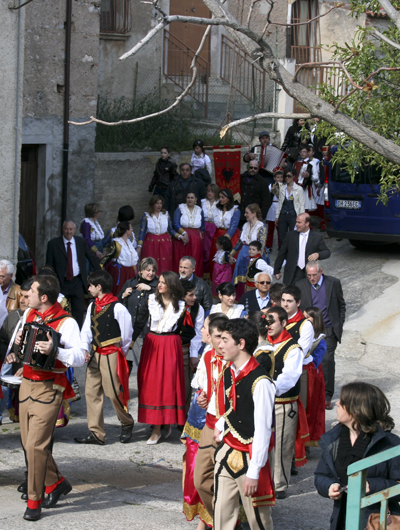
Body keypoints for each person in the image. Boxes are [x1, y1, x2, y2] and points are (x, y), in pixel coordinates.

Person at [5, 275, 85, 521]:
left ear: (44, 297)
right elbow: (21, 349)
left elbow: (81, 357)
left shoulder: (66, 322)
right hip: (26, 385)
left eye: (31, 292)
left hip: (50, 388)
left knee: (36, 446)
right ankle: (57, 482)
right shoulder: (29, 315)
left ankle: (34, 500)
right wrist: (19, 345)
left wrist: (55, 350)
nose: (24, 294)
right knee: (29, 444)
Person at [213, 319, 276, 530]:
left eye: (224, 340)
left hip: (250, 456)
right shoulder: (231, 371)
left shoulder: (261, 382)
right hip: (227, 451)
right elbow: (234, 407)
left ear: (240, 344)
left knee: (258, 520)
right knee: (221, 515)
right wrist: (221, 424)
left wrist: (254, 471)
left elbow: (263, 429)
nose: (220, 345)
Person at [315, 382, 400, 530]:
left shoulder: (390, 444)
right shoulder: (333, 440)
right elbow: (321, 475)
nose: (337, 403)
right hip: (341, 521)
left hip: (376, 523)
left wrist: (371, 485)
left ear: (356, 411)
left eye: (342, 401)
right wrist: (328, 487)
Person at [75, 270, 134, 445]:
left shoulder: (118, 307)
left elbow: (126, 334)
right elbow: (86, 330)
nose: (89, 288)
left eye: (91, 286)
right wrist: (84, 349)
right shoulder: (93, 305)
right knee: (91, 392)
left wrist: (118, 352)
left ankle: (126, 422)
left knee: (114, 393)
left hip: (111, 354)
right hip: (95, 353)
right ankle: (96, 432)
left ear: (99, 287)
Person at [181, 313, 228, 529]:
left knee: (220, 477)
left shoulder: (232, 360)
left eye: (215, 333)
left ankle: (218, 520)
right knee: (197, 474)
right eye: (211, 332)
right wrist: (203, 396)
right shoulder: (208, 356)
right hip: (204, 420)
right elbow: (205, 388)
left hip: (223, 425)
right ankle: (209, 517)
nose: (205, 332)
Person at [137, 272, 186, 444]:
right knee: (152, 385)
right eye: (159, 282)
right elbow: (139, 320)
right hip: (152, 343)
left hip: (170, 344)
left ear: (171, 285)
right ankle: (156, 428)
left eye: (164, 282)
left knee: (167, 385)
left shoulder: (181, 305)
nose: (159, 285)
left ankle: (166, 421)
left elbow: (186, 330)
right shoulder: (151, 300)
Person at [266, 306, 306, 499]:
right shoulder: (263, 343)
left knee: (282, 444)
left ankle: (280, 484)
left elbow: (289, 377)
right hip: (265, 401)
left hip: (283, 402)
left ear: (283, 323)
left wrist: (267, 388)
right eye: (266, 321)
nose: (268, 325)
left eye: (271, 321)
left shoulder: (293, 348)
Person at [295, 261, 346, 410]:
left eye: (314, 275)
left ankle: (327, 394)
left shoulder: (333, 283)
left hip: (328, 328)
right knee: (308, 359)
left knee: (327, 360)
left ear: (321, 272)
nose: (311, 278)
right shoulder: (301, 285)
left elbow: (341, 304)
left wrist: (339, 322)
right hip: (308, 328)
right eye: (309, 275)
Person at [45, 220, 101, 327]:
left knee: (79, 311)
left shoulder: (81, 242)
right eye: (66, 229)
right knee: (59, 310)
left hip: (77, 282)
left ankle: (77, 334)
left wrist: (100, 273)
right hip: (61, 283)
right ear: (63, 229)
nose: (68, 232)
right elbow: (49, 265)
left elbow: (91, 257)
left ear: (74, 230)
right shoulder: (53, 244)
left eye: (71, 229)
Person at [118, 257, 158, 373]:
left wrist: (151, 289)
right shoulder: (130, 283)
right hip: (128, 330)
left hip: (145, 332)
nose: (151, 273)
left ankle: (145, 390)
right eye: (148, 270)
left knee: (145, 364)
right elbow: (116, 303)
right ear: (141, 270)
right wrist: (123, 295)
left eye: (153, 270)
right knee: (125, 364)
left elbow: (164, 300)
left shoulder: (158, 285)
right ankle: (122, 389)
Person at [0, 279, 31, 425]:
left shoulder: (41, 319)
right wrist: (7, 354)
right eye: (21, 296)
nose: (23, 300)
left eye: (27, 297)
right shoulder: (12, 316)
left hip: (34, 373)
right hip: (14, 371)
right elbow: (2, 341)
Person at [274, 213, 331, 285]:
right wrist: (277, 270)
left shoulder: (317, 237)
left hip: (309, 274)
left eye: (299, 222)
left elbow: (327, 252)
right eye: (296, 222)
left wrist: (318, 254)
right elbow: (281, 254)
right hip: (292, 273)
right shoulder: (290, 236)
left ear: (307, 223)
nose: (296, 224)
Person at [176, 280, 205, 412]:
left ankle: (182, 415)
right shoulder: (172, 306)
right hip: (170, 348)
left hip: (186, 348)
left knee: (185, 385)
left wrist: (194, 355)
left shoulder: (198, 309)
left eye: (194, 294)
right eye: (191, 295)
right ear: (182, 296)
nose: (194, 298)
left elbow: (198, 334)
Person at [231, 203, 269, 299]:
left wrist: (255, 257)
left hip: (255, 254)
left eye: (247, 213)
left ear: (254, 213)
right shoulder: (245, 225)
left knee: (253, 276)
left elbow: (261, 245)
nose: (245, 215)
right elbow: (240, 241)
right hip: (243, 254)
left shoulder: (261, 227)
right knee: (241, 276)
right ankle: (241, 298)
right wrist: (232, 253)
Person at [137, 195, 181, 275]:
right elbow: (142, 232)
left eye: (160, 203)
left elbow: (170, 229)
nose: (159, 205)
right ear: (152, 204)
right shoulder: (146, 215)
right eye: (157, 203)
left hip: (165, 243)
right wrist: (139, 247)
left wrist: (180, 236)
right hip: (151, 243)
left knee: (165, 264)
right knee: (151, 263)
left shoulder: (166, 214)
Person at [302, 306, 326, 445]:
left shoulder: (320, 340)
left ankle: (308, 442)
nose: (304, 320)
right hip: (304, 374)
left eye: (307, 318)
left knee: (311, 409)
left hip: (313, 377)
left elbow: (316, 361)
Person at [209, 188, 241, 280]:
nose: (220, 199)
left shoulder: (235, 210)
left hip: (231, 235)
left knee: (229, 256)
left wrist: (226, 238)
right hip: (218, 234)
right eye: (219, 197)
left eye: (223, 197)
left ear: (229, 198)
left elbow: (233, 225)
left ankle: (229, 279)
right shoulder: (217, 208)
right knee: (215, 255)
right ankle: (216, 279)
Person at [173, 191, 205, 276]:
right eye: (188, 197)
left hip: (196, 238)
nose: (190, 200)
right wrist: (183, 232)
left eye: (192, 198)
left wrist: (201, 236)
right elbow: (175, 223)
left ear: (196, 199)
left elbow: (202, 225)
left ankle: (194, 278)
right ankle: (181, 278)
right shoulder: (180, 208)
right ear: (186, 199)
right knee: (182, 258)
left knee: (195, 257)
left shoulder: (199, 210)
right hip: (183, 237)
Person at [103, 221, 139, 296]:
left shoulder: (129, 242)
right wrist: (100, 266)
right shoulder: (117, 243)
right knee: (120, 292)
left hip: (129, 272)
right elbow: (108, 257)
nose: (132, 230)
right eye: (131, 229)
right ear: (127, 231)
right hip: (121, 272)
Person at [281, 285, 314, 359]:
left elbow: (300, 353)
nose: (285, 304)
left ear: (298, 303)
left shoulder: (305, 325)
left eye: (289, 301)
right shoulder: (276, 320)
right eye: (283, 300)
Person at [275, 169, 305, 245]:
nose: (287, 178)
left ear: (294, 177)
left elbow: (301, 204)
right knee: (282, 236)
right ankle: (283, 253)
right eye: (286, 176)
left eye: (289, 176)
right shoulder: (282, 188)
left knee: (294, 235)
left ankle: (292, 253)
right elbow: (280, 203)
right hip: (283, 214)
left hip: (293, 215)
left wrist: (301, 218)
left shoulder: (299, 189)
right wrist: (277, 216)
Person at [238, 161, 272, 225]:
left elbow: (266, 199)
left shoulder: (262, 181)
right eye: (251, 167)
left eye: (255, 168)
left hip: (254, 214)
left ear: (258, 169)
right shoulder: (240, 178)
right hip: (240, 212)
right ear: (248, 167)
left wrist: (262, 214)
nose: (253, 169)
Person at [201, 183, 220, 277]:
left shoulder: (219, 203)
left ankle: (212, 274)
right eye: (208, 191)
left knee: (212, 250)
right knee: (204, 251)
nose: (209, 193)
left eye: (212, 191)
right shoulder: (202, 202)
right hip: (204, 227)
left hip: (214, 228)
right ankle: (204, 273)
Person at [294, 144, 319, 213]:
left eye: (304, 151)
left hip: (306, 188)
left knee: (304, 208)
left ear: (308, 152)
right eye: (301, 152)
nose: (302, 153)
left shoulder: (312, 163)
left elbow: (316, 178)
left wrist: (309, 176)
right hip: (297, 187)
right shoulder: (297, 163)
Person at [266, 169, 284, 251]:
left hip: (280, 206)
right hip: (272, 206)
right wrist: (272, 190)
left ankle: (281, 245)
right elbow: (267, 194)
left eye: (281, 177)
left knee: (280, 228)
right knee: (270, 228)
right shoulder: (271, 185)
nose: (279, 179)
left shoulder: (284, 186)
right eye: (278, 177)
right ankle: (268, 245)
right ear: (274, 178)